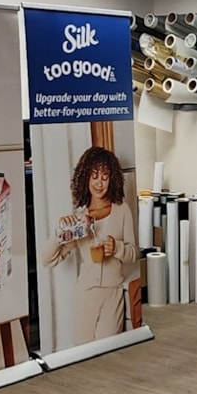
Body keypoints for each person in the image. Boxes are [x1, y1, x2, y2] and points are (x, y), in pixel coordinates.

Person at [41, 146, 137, 345]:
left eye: (104, 177)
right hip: (85, 295)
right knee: (84, 353)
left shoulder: (122, 210)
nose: (99, 183)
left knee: (107, 350)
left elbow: (133, 253)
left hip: (112, 293)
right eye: (94, 176)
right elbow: (47, 259)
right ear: (85, 178)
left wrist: (117, 248)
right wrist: (59, 233)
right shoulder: (79, 220)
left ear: (112, 179)